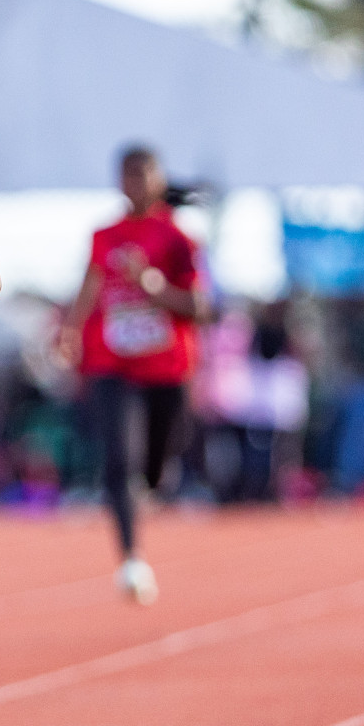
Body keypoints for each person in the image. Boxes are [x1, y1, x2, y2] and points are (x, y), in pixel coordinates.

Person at [58, 147, 206, 605]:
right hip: (112, 364)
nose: (136, 183)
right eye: (128, 175)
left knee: (156, 468)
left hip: (166, 369)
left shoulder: (179, 239)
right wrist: (71, 328)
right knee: (120, 461)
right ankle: (132, 560)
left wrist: (154, 289)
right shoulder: (105, 235)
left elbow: (200, 308)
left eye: (144, 174)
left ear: (159, 179)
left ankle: (151, 487)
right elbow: (91, 284)